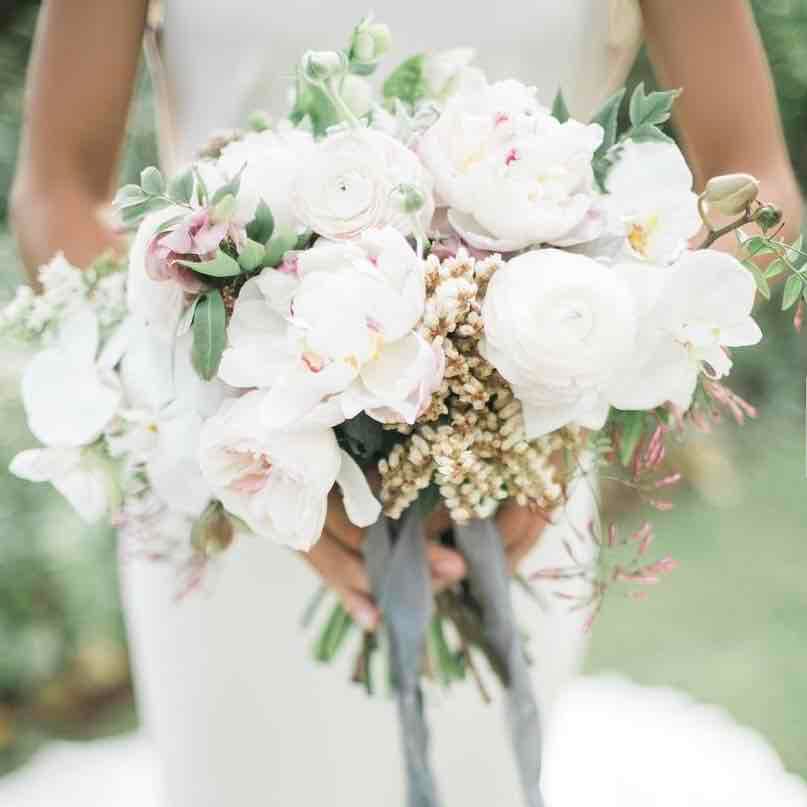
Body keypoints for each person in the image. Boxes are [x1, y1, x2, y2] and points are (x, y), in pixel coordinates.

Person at [9, 2, 802, 806]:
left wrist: (576, 380)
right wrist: (233, 422)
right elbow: (56, 191)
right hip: (227, 474)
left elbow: (757, 181)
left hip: (516, 480)